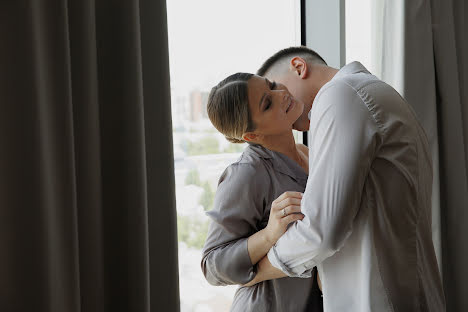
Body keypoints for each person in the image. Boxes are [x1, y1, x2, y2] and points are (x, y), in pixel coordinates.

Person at [246, 46, 446, 311]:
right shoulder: (378, 93)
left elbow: (320, 231)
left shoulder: (340, 95)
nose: (280, 106)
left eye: (275, 90)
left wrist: (255, 270)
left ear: (298, 67)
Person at [201, 73, 323, 311]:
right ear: (252, 136)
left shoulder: (306, 153)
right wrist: (269, 234)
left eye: (272, 85)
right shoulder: (247, 173)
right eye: (267, 103)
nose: (282, 94)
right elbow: (212, 266)